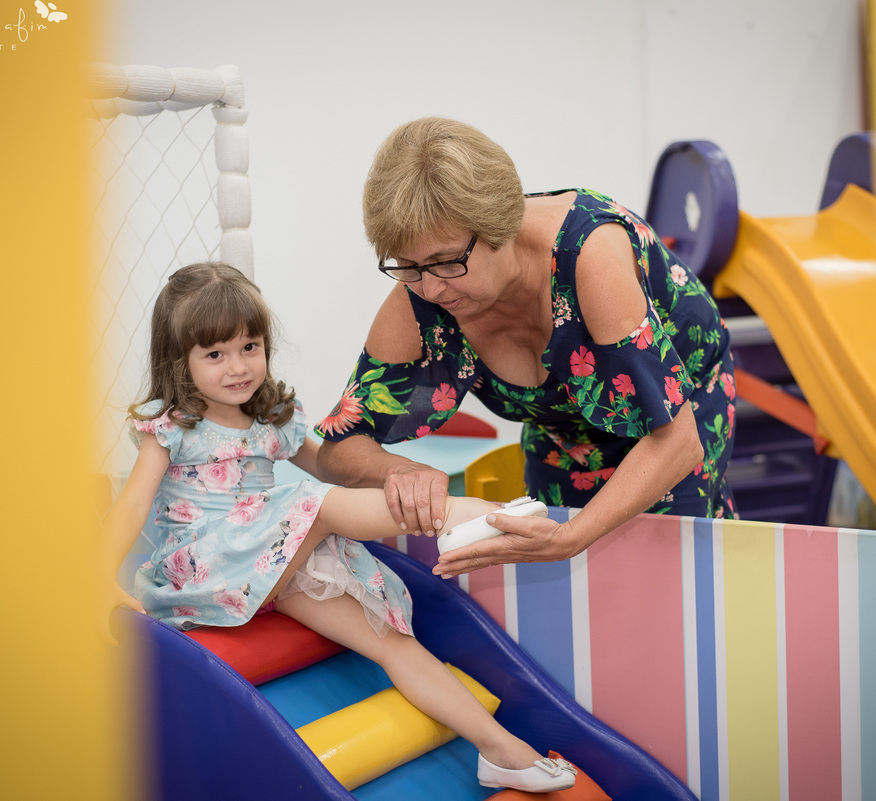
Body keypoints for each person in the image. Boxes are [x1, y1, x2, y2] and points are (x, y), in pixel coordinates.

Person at [101, 263, 576, 793]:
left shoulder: (270, 418)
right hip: (206, 570)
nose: (238, 367)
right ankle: (468, 516)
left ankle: (500, 749)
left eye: (250, 347)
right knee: (319, 507)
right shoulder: (171, 428)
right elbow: (134, 503)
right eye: (215, 354)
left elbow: (327, 466)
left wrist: (397, 471)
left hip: (270, 564)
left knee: (393, 642)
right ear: (179, 362)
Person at [315, 117, 736, 579]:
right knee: (557, 587)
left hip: (680, 420)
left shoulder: (588, 256)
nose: (431, 288)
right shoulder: (418, 297)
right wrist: (396, 471)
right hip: (562, 434)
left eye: (447, 262)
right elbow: (337, 450)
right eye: (409, 266)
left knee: (670, 581)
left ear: (502, 225)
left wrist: (572, 537)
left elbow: (677, 441)